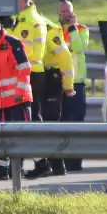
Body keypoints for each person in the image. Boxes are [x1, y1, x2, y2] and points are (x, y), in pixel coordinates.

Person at [0, 15, 33, 181]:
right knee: (2, 136)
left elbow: (25, 69)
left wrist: (19, 93)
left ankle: (42, 164)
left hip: (18, 99)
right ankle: (2, 169)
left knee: (24, 135)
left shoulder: (12, 42)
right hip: (2, 101)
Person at [24, 22, 78, 179]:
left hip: (51, 78)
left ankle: (56, 166)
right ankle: (51, 166)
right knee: (41, 122)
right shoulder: (25, 25)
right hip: (39, 77)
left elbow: (65, 56)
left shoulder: (48, 28)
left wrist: (68, 85)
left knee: (49, 123)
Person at [58, 0, 90, 171]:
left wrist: (72, 27)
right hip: (60, 83)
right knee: (61, 123)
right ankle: (61, 162)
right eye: (62, 12)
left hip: (76, 84)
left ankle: (75, 163)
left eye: (68, 11)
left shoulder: (81, 30)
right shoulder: (54, 31)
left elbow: (78, 48)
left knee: (76, 123)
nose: (65, 15)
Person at [11, 0, 48, 122]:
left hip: (29, 71)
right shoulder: (27, 18)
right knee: (34, 110)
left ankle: (33, 141)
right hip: (34, 70)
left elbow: (23, 50)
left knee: (28, 112)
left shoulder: (28, 21)